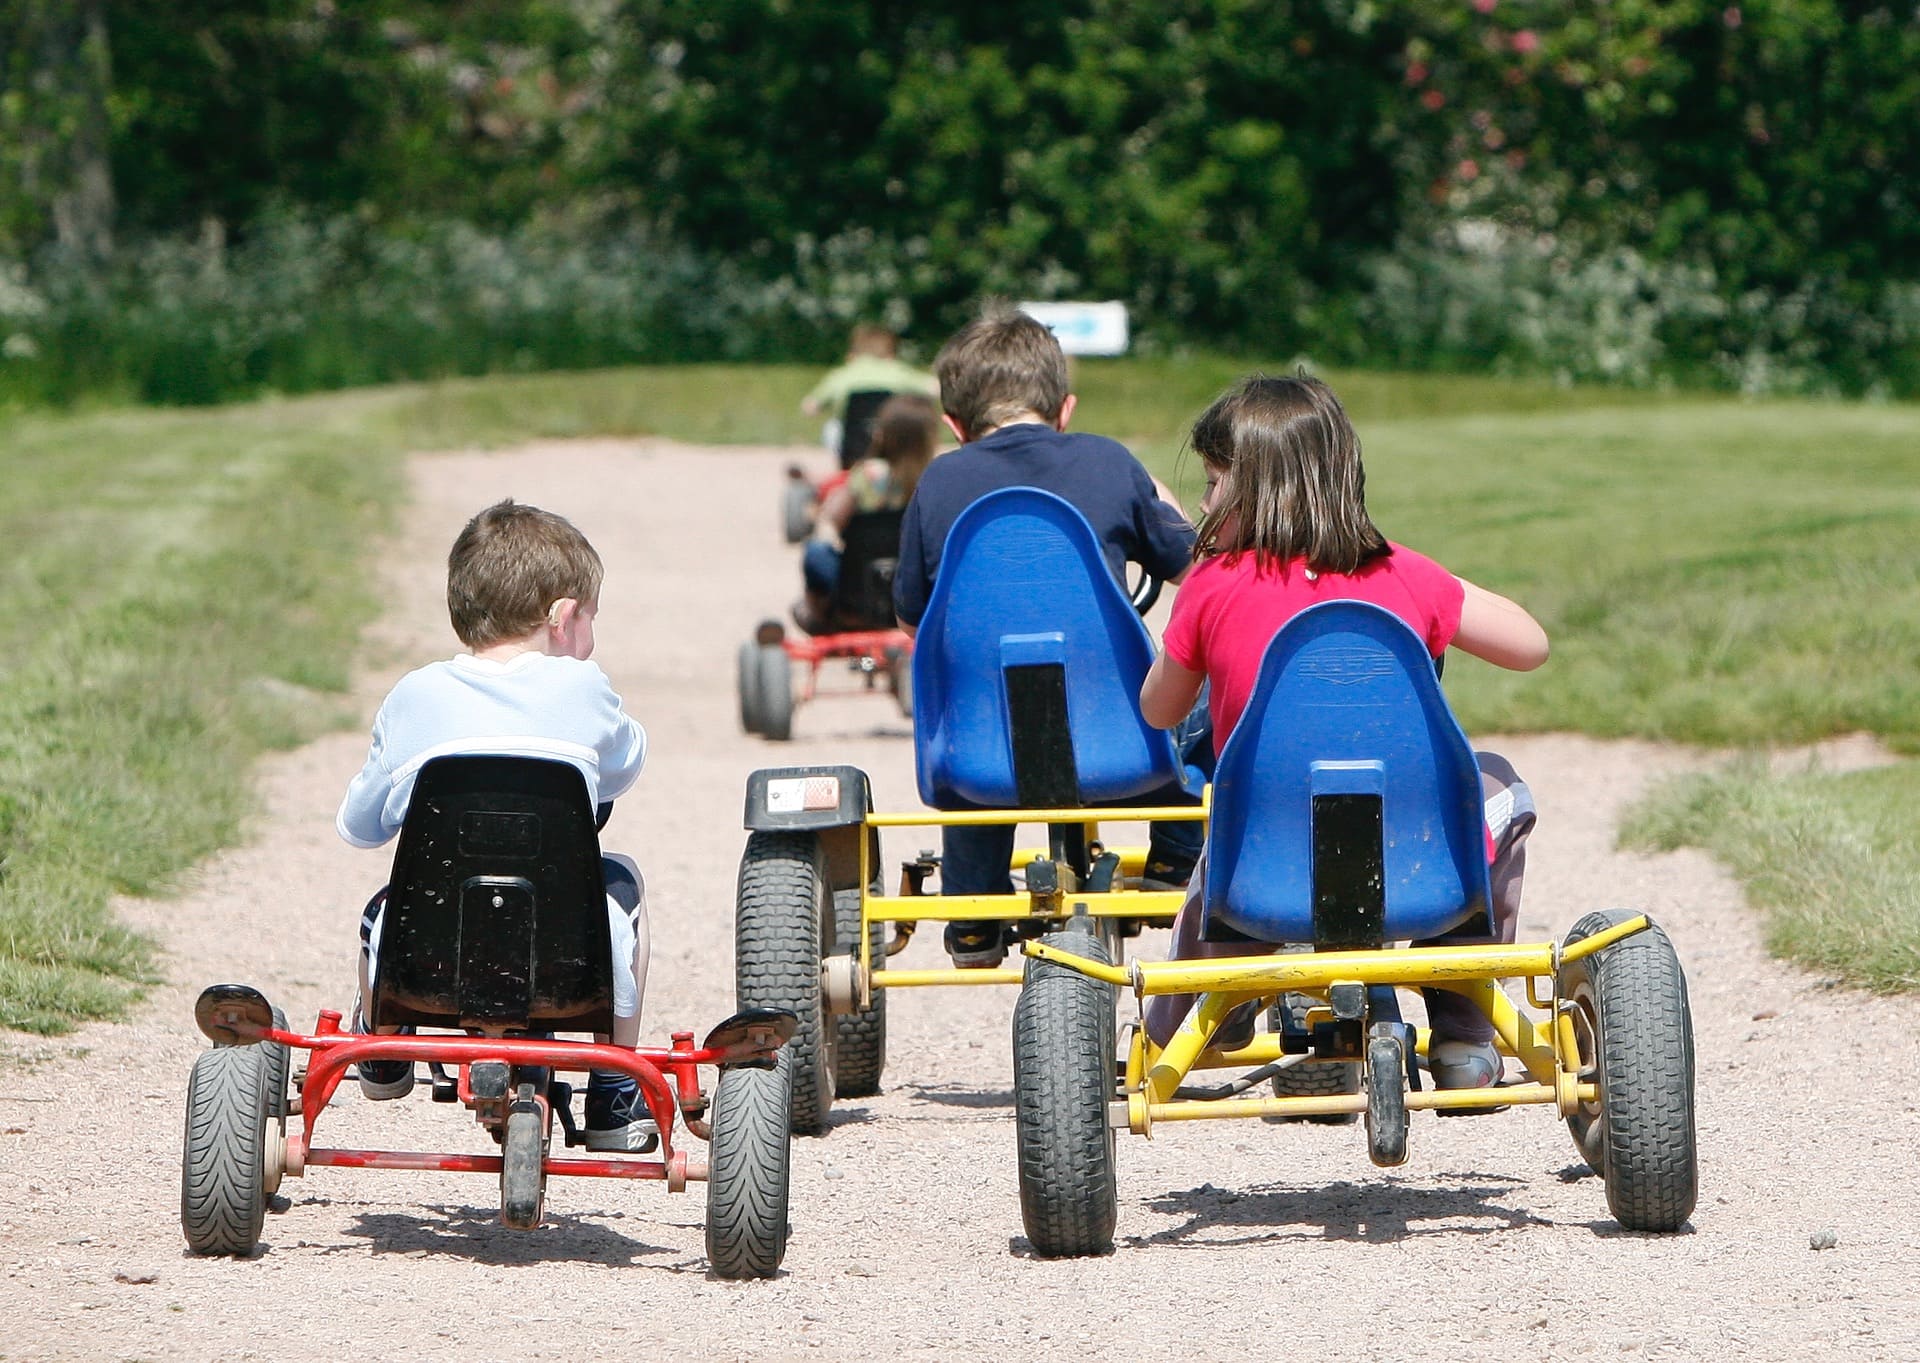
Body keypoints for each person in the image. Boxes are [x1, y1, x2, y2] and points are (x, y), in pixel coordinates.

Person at [1136, 373, 1549, 1090]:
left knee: (1229, 811)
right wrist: (1426, 591)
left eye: (1210, 483)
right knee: (1499, 785)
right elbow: (1529, 644)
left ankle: (1199, 1009)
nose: (1203, 504)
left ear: (1251, 490)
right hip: (1419, 869)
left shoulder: (1210, 584)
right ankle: (1462, 1033)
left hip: (1264, 867)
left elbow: (1159, 711)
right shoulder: (1405, 572)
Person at [336, 499, 657, 1150]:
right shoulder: (585, 687)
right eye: (591, 617)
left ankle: (384, 1042)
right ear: (566, 618)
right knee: (623, 887)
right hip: (565, 959)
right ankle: (613, 1091)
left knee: (382, 911)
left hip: (430, 958)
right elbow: (624, 768)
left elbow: (359, 825)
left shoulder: (414, 696)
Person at [893, 307, 1205, 966]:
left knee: (974, 690)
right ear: (1065, 409)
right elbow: (1207, 581)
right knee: (1204, 674)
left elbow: (911, 623)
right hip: (1127, 745)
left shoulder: (939, 481)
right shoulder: (1110, 462)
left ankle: (973, 908)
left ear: (955, 426)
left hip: (982, 761)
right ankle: (1180, 856)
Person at [797, 393, 943, 632]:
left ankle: (819, 612)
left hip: (856, 587)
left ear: (883, 433)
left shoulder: (867, 475)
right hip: (913, 587)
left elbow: (833, 519)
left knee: (816, 552)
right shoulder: (934, 477)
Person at [800, 324, 940, 454]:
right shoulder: (897, 371)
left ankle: (845, 471)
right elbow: (934, 389)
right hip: (893, 436)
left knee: (832, 427)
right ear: (890, 351)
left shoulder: (842, 375)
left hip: (852, 439)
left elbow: (810, 406)